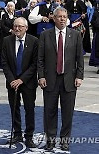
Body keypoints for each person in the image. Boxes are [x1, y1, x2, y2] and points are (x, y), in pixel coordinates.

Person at [38, 7, 84, 151]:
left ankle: (65, 141)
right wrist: (41, 76)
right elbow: (40, 59)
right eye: (59, 16)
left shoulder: (75, 35)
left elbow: (79, 59)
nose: (62, 19)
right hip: (50, 80)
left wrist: (79, 76)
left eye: (65, 16)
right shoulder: (45, 35)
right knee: (49, 112)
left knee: (67, 112)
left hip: (69, 80)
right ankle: (50, 140)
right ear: (54, 18)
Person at [2, 17, 38, 148]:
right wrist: (12, 80)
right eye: (15, 26)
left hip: (27, 82)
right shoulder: (7, 41)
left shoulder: (34, 41)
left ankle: (29, 136)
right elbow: (4, 62)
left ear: (26, 28)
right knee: (14, 108)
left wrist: (21, 80)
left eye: (20, 27)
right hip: (12, 82)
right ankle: (17, 134)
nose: (17, 28)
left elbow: (35, 64)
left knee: (29, 109)